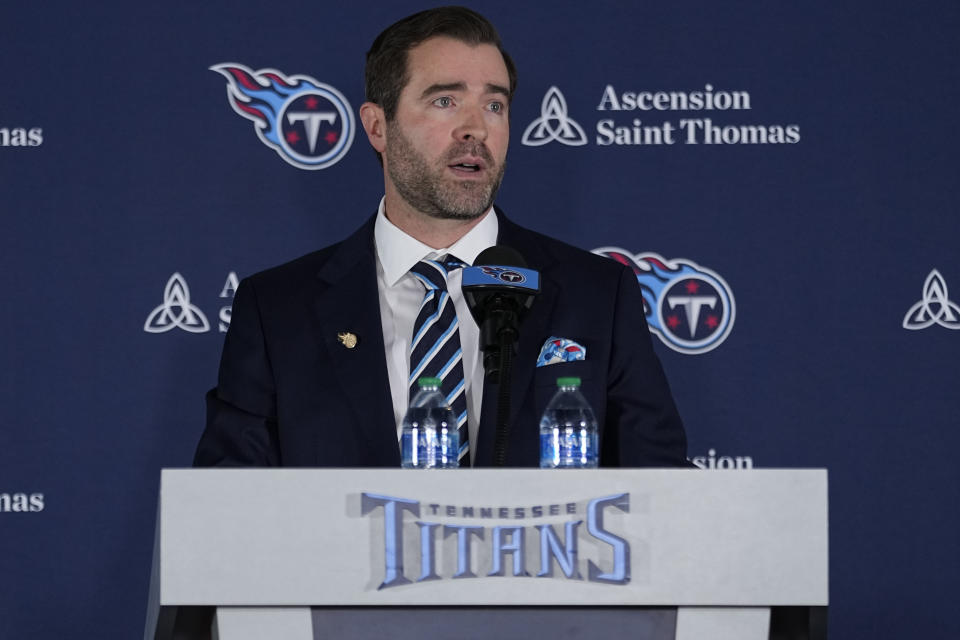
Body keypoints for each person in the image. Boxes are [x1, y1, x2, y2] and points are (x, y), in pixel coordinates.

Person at [194, 6, 688, 468]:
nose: (475, 128)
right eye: (446, 101)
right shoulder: (277, 309)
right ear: (377, 126)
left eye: (494, 104)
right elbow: (228, 509)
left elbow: (664, 490)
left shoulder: (598, 294)